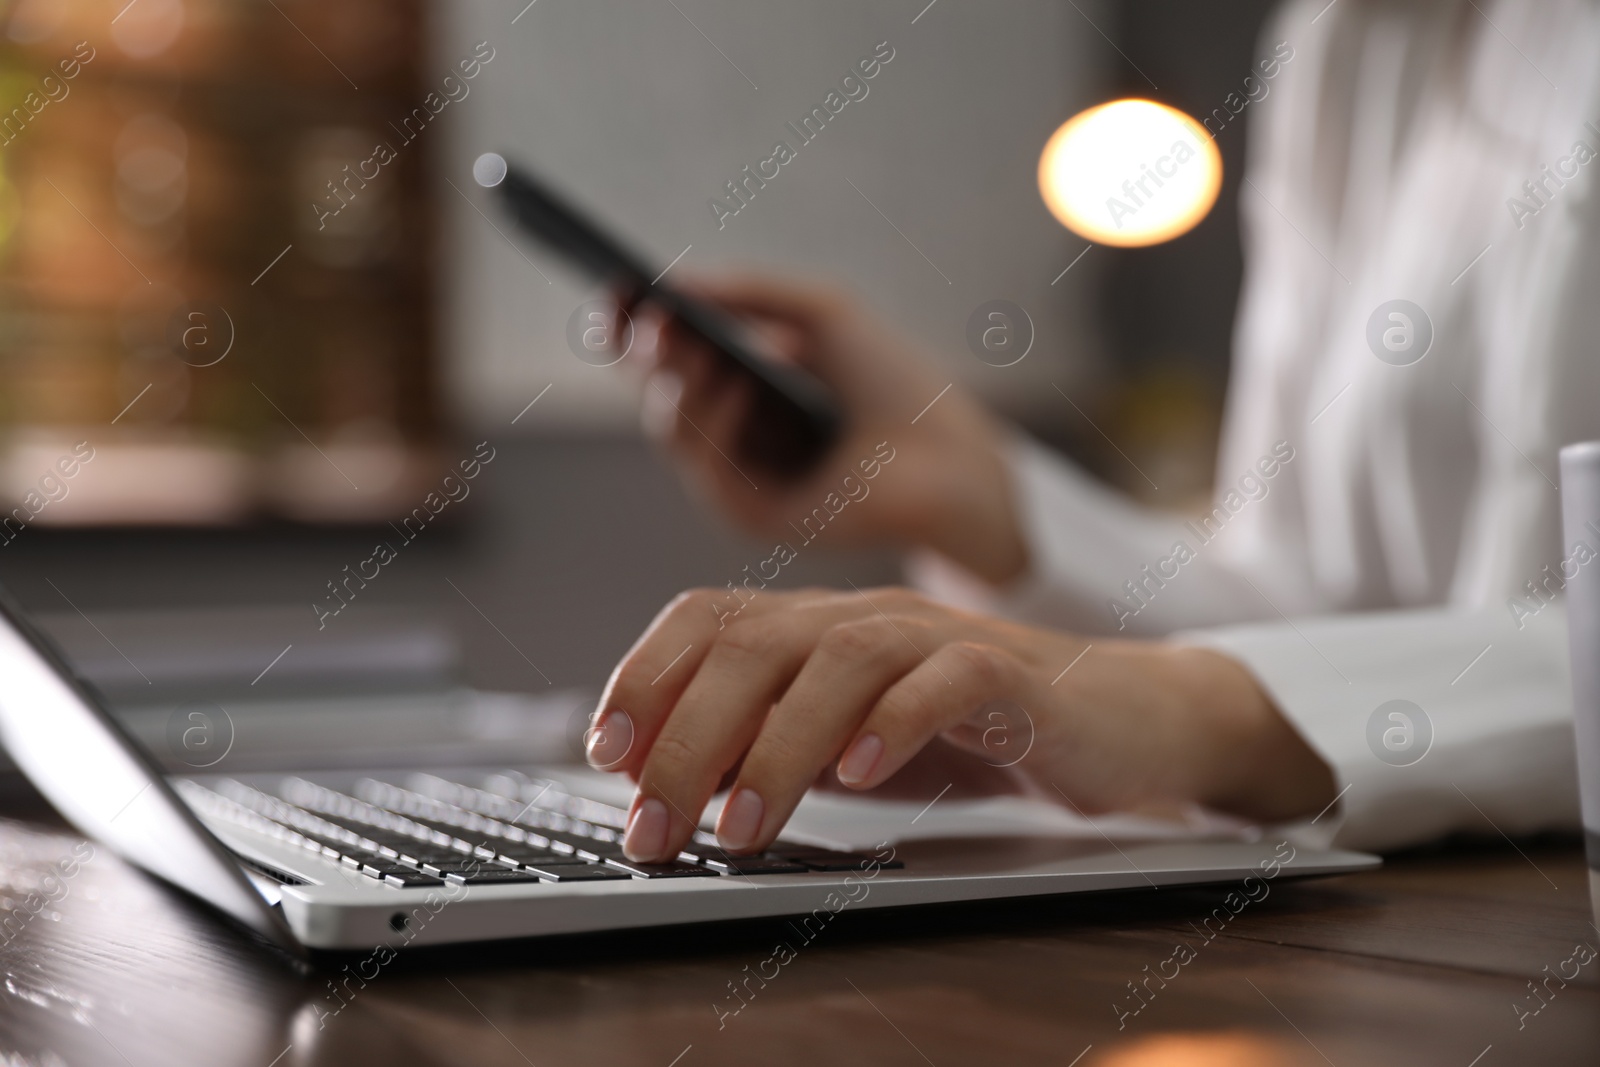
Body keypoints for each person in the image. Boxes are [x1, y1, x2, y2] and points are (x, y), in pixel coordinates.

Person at [588, 0, 1600, 866]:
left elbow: (1254, 695)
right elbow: (1308, 613)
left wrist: (1192, 708)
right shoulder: (1346, 43)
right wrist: (982, 498)